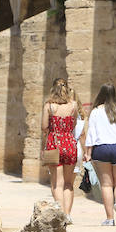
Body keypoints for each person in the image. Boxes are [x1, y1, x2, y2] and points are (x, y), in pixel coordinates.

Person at [84, 82, 116, 226]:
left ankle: (109, 218)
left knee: (106, 185)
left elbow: (91, 134)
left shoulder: (95, 111)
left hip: (101, 149)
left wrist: (88, 153)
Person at [41, 78, 79, 220]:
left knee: (57, 183)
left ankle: (61, 213)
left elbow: (44, 127)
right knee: (69, 183)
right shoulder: (73, 105)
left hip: (54, 142)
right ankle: (68, 214)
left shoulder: (49, 106)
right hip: (69, 143)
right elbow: (73, 124)